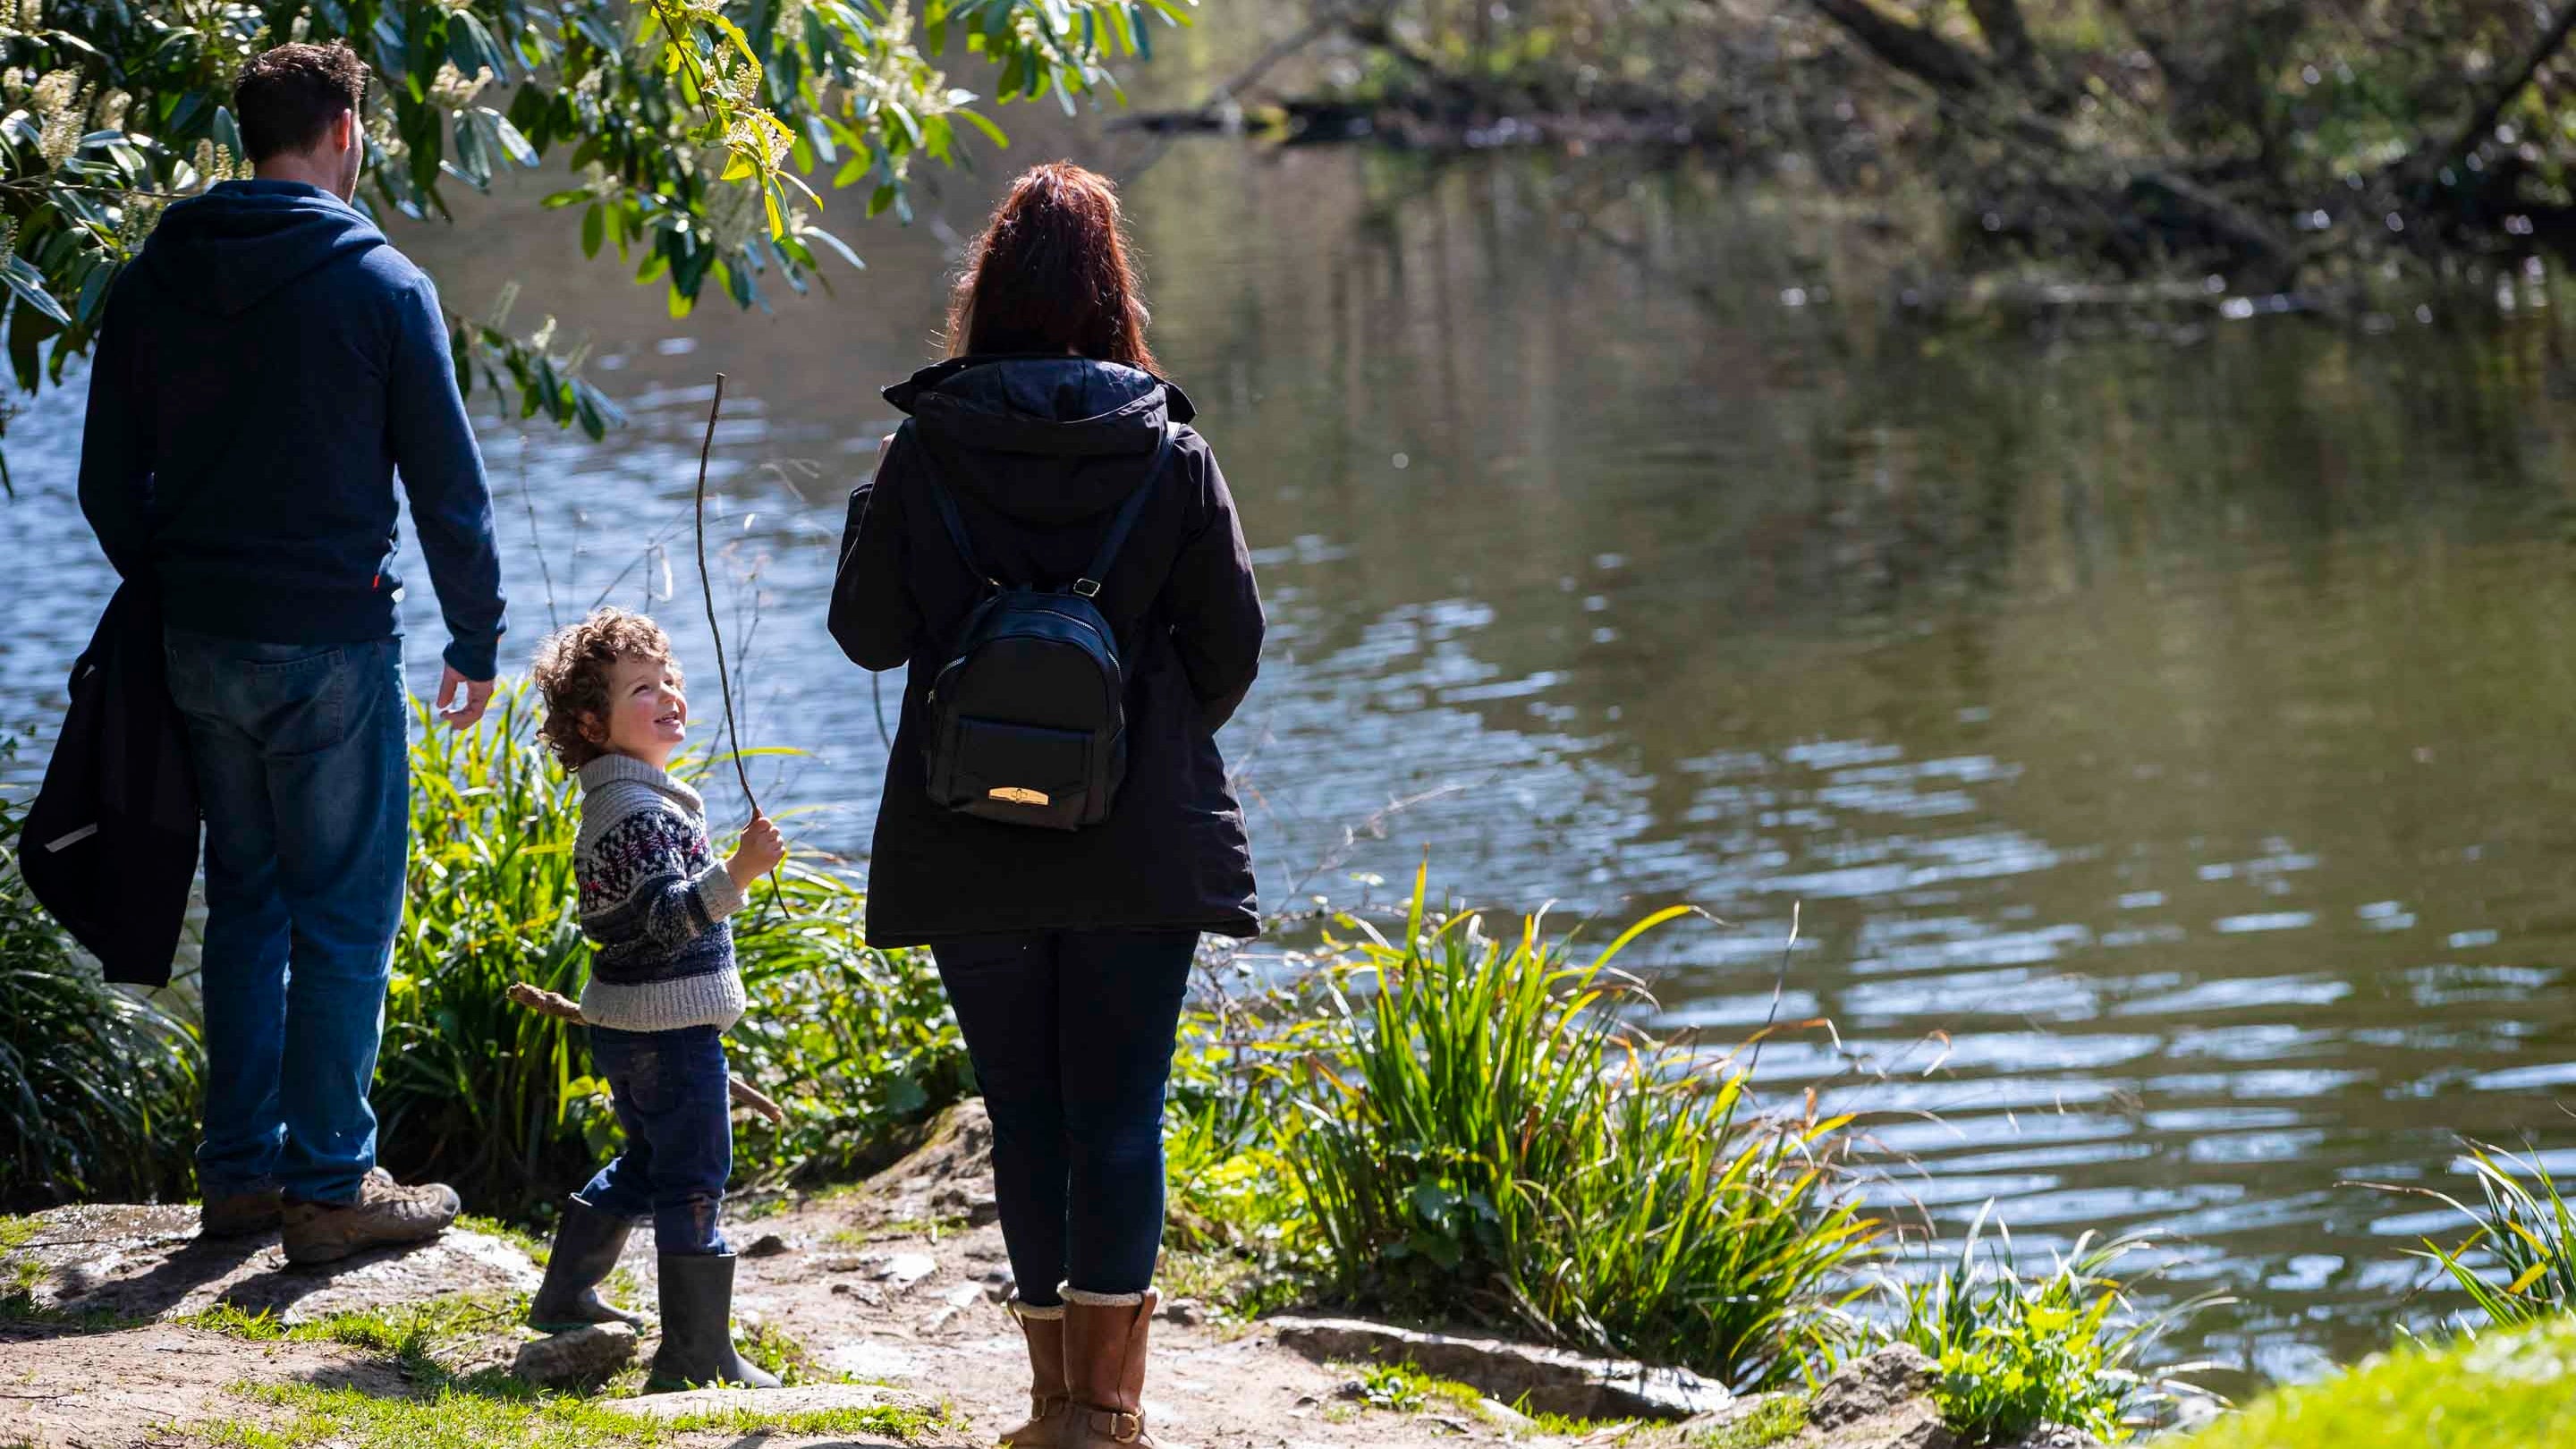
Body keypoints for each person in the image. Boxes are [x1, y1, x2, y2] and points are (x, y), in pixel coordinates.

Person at [828, 162, 1266, 1449]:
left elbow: (867, 635)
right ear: (1110, 291)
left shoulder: (926, 447)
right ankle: (1107, 1416)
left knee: (1028, 1112)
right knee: (1120, 1110)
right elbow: (1230, 646)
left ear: (988, 296)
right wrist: (1139, 752)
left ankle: (1046, 1404)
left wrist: (887, 510)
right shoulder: (1171, 450)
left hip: (972, 833)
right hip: (1136, 842)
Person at [76, 42, 503, 1263]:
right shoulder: (380, 284)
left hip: (200, 642)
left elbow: (109, 482)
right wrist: (475, 635)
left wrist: (174, 585)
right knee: (346, 912)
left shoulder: (162, 272)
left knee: (250, 901)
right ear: (344, 132)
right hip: (330, 642)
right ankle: (327, 1187)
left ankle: (238, 1179)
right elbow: (450, 494)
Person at [527, 607, 787, 1391]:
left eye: (670, 679)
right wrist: (738, 872)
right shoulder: (637, 813)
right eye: (644, 688)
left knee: (651, 1159)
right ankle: (694, 1355)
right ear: (592, 723)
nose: (670, 695)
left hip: (633, 1026)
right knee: (697, 1172)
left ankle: (567, 1291)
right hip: (669, 1033)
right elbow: (667, 917)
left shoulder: (631, 800)